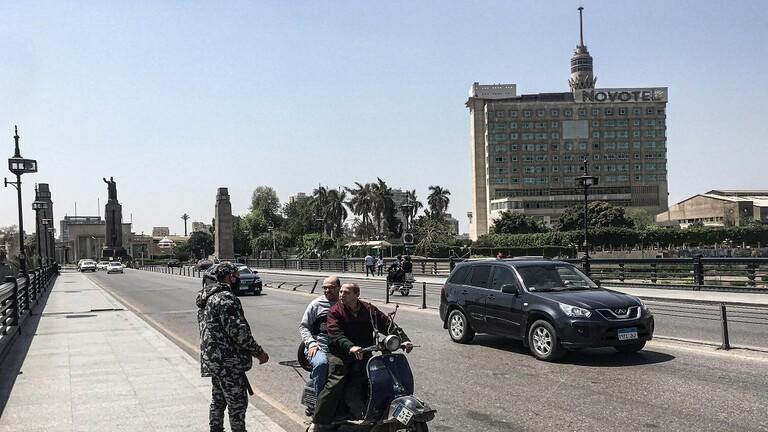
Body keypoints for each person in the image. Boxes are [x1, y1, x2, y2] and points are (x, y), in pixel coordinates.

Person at [310, 283, 413, 431]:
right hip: (341, 354)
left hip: (364, 352)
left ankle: (372, 411)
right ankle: (319, 420)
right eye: (341, 292)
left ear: (356, 294)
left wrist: (404, 340)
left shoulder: (369, 310)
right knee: (337, 380)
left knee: (378, 377)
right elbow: (335, 333)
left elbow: (387, 324)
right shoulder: (335, 311)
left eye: (346, 292)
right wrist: (350, 347)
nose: (341, 295)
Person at [197, 262, 269, 432]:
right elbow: (238, 332)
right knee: (237, 403)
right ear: (229, 277)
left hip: (214, 361)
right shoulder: (225, 298)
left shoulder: (207, 297)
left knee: (218, 400)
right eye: (236, 276)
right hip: (228, 362)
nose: (238, 279)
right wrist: (258, 352)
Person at [299, 276, 341, 398]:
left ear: (339, 288)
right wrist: (311, 343)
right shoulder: (316, 304)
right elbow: (304, 327)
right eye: (325, 288)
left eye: (331, 287)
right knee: (322, 364)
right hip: (318, 346)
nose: (327, 290)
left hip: (339, 346)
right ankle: (320, 400)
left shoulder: (345, 303)